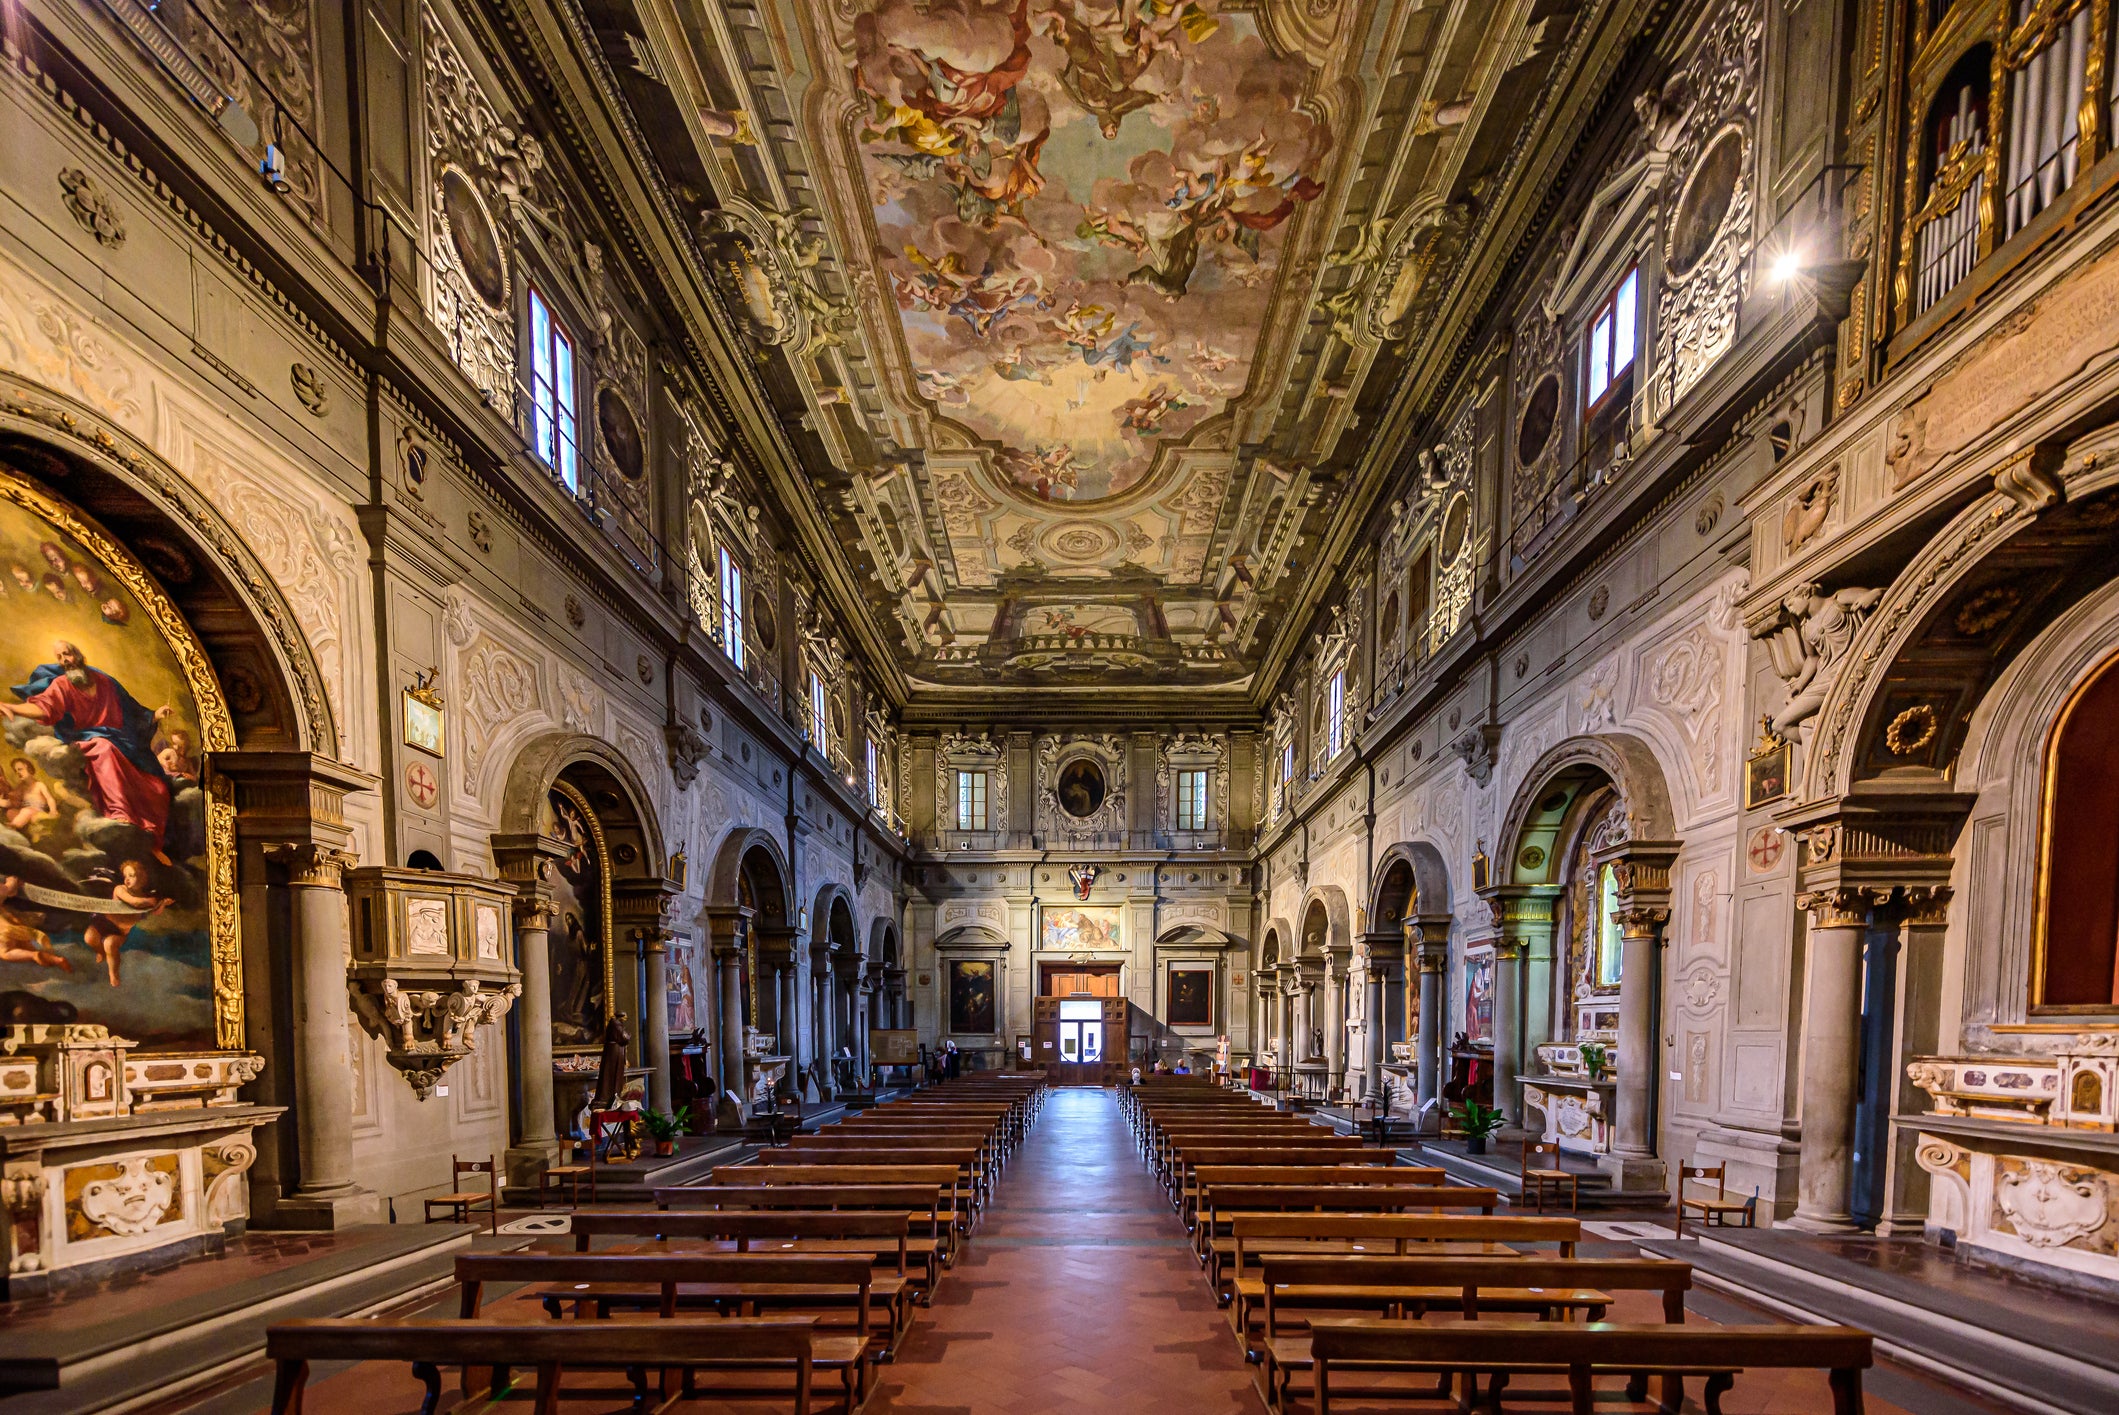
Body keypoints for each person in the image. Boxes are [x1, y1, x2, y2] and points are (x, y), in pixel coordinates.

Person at [2, 642, 175, 857]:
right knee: (103, 749)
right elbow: (43, 706)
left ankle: (149, 838)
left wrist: (155, 715)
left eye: (68, 654)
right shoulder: (62, 685)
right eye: (60, 657)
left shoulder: (106, 682)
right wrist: (12, 707)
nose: (65, 660)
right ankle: (119, 812)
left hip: (121, 740)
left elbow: (132, 709)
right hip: (87, 739)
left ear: (79, 655)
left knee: (157, 788)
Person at [82, 860, 170, 986]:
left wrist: (162, 904)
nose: (127, 879)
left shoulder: (145, 897)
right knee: (89, 938)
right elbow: (134, 902)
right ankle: (100, 952)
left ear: (141, 878)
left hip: (120, 931)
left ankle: (113, 974)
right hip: (104, 922)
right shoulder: (120, 889)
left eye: (131, 875)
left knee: (110, 944)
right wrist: (152, 901)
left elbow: (155, 912)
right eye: (125, 876)